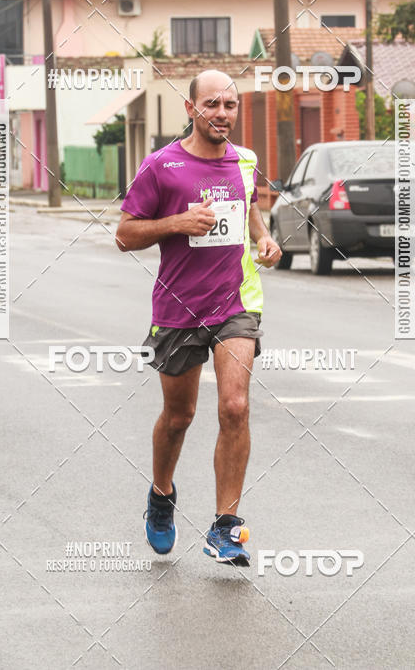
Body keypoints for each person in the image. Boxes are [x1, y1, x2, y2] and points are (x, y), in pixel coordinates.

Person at [116, 69, 281, 567]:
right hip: (178, 309)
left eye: (230, 105)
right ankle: (161, 496)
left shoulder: (245, 161)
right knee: (179, 417)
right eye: (212, 104)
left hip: (235, 304)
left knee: (235, 406)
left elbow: (250, 207)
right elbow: (125, 234)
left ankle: (226, 526)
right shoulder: (161, 166)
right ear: (191, 109)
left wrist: (262, 238)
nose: (223, 114)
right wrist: (177, 223)